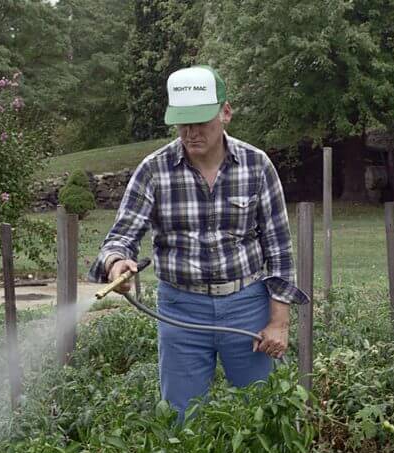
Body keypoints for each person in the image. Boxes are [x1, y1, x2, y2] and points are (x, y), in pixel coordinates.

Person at [88, 65, 309, 418]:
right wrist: (118, 263)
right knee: (181, 419)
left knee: (265, 412)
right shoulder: (153, 170)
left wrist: (278, 323)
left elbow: (279, 250)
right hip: (180, 309)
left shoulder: (257, 166)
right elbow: (121, 236)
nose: (191, 133)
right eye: (183, 123)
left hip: (247, 305)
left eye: (200, 121)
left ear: (225, 112)